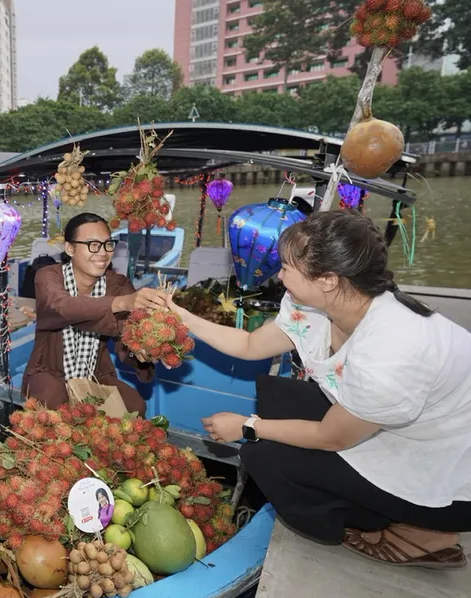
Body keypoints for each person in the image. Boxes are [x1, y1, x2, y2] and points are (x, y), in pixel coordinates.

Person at [158, 209, 471, 569]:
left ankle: (417, 529)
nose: (279, 276)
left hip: (447, 470)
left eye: (286, 267)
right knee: (277, 397)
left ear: (327, 280)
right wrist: (180, 316)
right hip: (401, 430)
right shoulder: (319, 304)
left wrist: (246, 426)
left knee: (266, 456)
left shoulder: (391, 351)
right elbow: (249, 344)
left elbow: (330, 437)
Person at [22, 213, 166, 416]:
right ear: (70, 249)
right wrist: (121, 303)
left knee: (135, 406)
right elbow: (61, 307)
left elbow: (127, 335)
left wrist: (142, 351)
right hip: (48, 373)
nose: (103, 253)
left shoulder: (118, 285)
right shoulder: (48, 276)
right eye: (93, 245)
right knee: (52, 398)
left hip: (94, 375)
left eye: (108, 244)